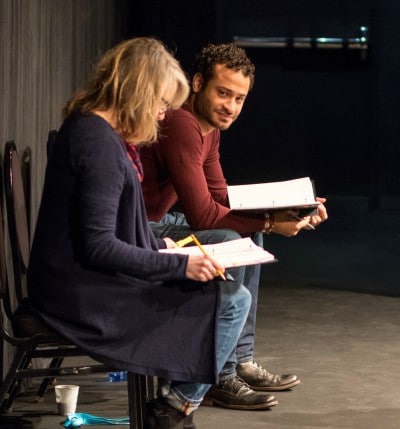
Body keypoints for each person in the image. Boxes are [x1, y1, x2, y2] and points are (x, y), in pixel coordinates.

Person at [26, 37, 253, 429]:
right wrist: (178, 267)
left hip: (79, 281)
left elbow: (110, 231)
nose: (164, 115)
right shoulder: (97, 144)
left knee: (225, 290)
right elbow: (99, 248)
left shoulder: (95, 133)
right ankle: (173, 410)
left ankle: (175, 404)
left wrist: (162, 247)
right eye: (162, 103)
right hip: (82, 295)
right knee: (231, 299)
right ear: (137, 92)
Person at [141, 42, 328, 410]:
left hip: (161, 222)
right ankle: (220, 376)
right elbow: (203, 217)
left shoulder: (208, 128)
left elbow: (221, 196)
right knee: (232, 234)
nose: (231, 106)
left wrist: (294, 208)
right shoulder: (181, 123)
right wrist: (273, 223)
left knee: (248, 230)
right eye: (222, 93)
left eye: (239, 99)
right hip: (142, 230)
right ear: (197, 83)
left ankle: (238, 359)